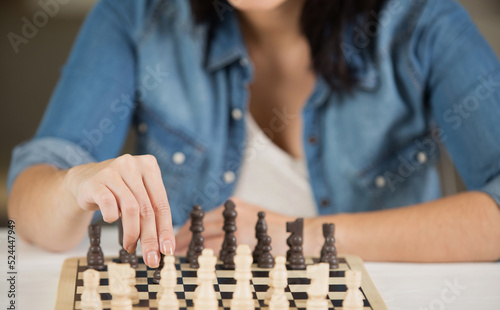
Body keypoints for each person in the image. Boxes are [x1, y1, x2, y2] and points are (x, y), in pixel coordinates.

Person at [7, 0, 500, 268]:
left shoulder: (425, 20)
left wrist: (299, 235)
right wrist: (73, 186)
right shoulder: (134, 14)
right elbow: (33, 203)